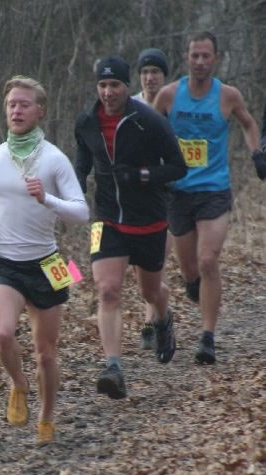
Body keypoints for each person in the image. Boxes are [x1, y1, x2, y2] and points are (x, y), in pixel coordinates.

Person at [0, 75, 89, 443]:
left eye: (24, 104)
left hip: (48, 264)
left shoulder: (54, 160)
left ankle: (47, 417)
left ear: (40, 111)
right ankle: (19, 385)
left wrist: (47, 200)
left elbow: (81, 212)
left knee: (45, 355)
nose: (17, 110)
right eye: (11, 104)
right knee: (3, 333)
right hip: (6, 264)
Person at [75, 56, 187, 399]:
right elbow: (82, 160)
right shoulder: (86, 122)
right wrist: (74, 188)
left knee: (150, 293)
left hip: (149, 220)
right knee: (107, 289)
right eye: (103, 85)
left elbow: (178, 168)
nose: (108, 92)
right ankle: (113, 367)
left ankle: (163, 320)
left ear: (127, 87)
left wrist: (143, 175)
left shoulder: (148, 121)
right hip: (106, 219)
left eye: (115, 85)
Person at [154, 31, 265, 364]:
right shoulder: (169, 95)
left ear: (216, 58)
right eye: (194, 56)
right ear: (186, 58)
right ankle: (195, 287)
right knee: (189, 268)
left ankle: (207, 337)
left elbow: (247, 124)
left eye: (206, 56)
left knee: (207, 260)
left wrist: (257, 152)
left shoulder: (228, 96)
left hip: (214, 189)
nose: (200, 62)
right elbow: (147, 126)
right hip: (178, 192)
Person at [133, 48, 172, 349]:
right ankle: (158, 314)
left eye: (155, 72)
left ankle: (151, 322)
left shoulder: (175, 105)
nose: (150, 77)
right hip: (134, 196)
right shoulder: (129, 105)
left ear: (164, 76)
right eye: (145, 72)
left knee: (155, 263)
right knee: (139, 268)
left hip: (168, 194)